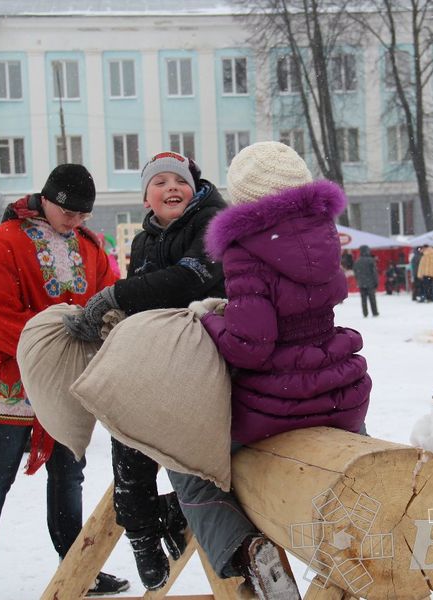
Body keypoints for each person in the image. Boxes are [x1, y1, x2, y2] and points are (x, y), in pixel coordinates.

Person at [180, 141, 372, 599]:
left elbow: (251, 346)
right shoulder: (323, 235)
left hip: (274, 409)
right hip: (340, 397)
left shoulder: (246, 250)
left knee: (185, 458)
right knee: (355, 457)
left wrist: (209, 318)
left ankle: (242, 549)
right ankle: (362, 538)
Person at [0, 164, 128, 600]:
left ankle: (79, 571)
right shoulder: (2, 242)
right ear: (48, 199)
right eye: (70, 213)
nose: (77, 222)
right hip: (13, 382)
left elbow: (107, 294)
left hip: (67, 384)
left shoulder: (90, 247)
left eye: (84, 215)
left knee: (69, 479)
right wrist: (52, 341)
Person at [64, 151, 227, 591]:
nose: (171, 187)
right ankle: (142, 533)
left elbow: (187, 279)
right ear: (147, 196)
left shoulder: (213, 223)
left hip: (203, 355)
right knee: (127, 449)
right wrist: (116, 315)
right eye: (160, 182)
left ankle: (174, 513)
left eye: (180, 180)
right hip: (157, 358)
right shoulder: (144, 240)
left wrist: (114, 295)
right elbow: (143, 298)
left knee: (184, 460)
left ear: (195, 189)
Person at [353, 244, 379, 317]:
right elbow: (374, 272)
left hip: (361, 283)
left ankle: (365, 313)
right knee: (372, 299)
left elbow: (355, 272)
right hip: (370, 283)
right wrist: (376, 282)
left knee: (363, 299)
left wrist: (358, 280)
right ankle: (374, 312)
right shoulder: (371, 260)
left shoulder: (357, 261)